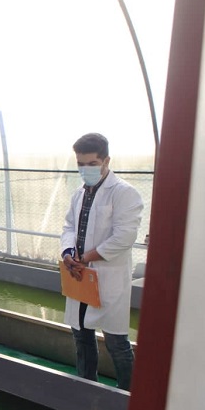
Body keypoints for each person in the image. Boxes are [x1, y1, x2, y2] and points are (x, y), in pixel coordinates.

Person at [61, 132, 143, 390]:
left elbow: (124, 237)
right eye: (80, 164)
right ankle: (87, 387)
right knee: (81, 334)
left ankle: (128, 394)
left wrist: (85, 257)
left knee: (116, 341)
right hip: (80, 275)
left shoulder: (124, 193)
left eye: (92, 164)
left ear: (106, 161)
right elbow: (69, 227)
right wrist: (67, 253)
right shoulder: (79, 194)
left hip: (108, 277)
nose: (85, 169)